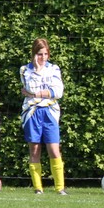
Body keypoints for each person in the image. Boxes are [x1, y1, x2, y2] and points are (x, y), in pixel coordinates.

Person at [21, 38, 66, 195]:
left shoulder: (54, 69)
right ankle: (38, 188)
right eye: (40, 54)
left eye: (46, 54)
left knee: (54, 149)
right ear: (34, 54)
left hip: (50, 112)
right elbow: (30, 87)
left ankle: (60, 188)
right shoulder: (25, 70)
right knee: (34, 150)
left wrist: (36, 94)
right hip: (32, 112)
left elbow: (58, 92)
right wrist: (38, 70)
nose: (43, 57)